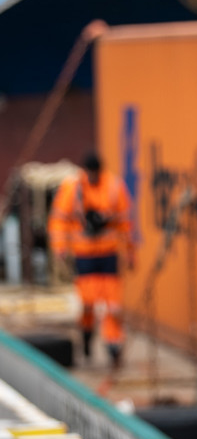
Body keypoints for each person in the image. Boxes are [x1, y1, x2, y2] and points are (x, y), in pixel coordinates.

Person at [48, 151, 136, 368]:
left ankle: (113, 346)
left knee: (112, 304)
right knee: (88, 302)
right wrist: (60, 248)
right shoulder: (73, 188)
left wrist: (131, 252)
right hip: (84, 253)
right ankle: (87, 337)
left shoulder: (114, 187)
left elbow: (126, 222)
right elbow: (59, 220)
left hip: (108, 253)